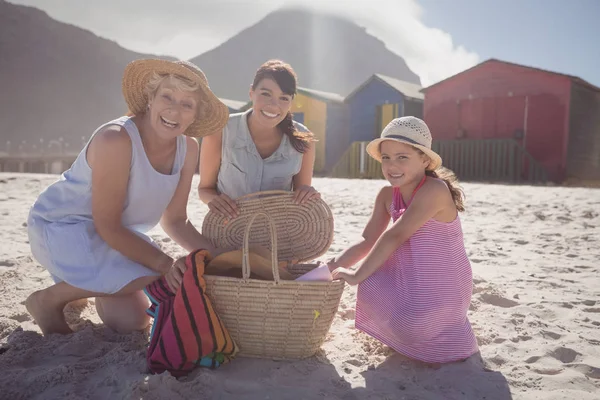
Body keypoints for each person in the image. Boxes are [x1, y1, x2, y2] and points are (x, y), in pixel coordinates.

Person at [25, 59, 229, 336]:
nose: (174, 110)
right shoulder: (116, 139)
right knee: (157, 273)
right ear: (150, 99)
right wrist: (165, 265)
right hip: (62, 228)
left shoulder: (188, 149)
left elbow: (176, 220)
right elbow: (107, 225)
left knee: (132, 321)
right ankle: (47, 300)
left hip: (114, 234)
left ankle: (77, 286)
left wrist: (217, 257)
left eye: (187, 104)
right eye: (167, 96)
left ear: (195, 115)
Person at [330, 116, 479, 364]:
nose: (392, 165)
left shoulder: (435, 190)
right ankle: (408, 334)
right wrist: (331, 267)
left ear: (424, 159)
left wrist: (356, 275)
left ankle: (433, 334)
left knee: (376, 288)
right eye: (386, 158)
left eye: (402, 157)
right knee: (371, 285)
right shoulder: (387, 194)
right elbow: (368, 240)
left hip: (443, 285)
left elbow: (394, 235)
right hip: (411, 277)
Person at [198, 60, 320, 219]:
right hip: (228, 230)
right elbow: (204, 189)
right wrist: (214, 200)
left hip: (277, 233)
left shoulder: (304, 141)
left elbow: (300, 198)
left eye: (284, 98)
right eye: (266, 94)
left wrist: (306, 194)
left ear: (291, 103)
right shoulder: (220, 130)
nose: (273, 105)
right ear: (251, 93)